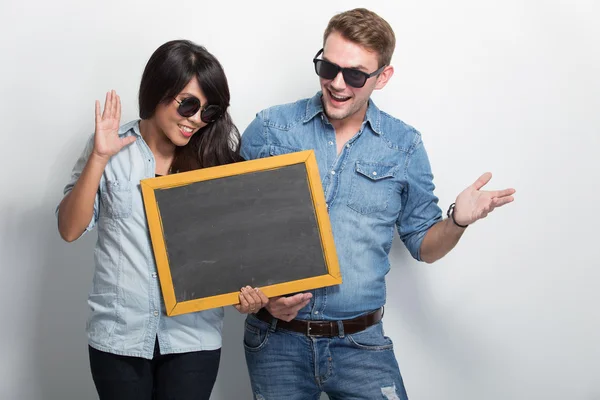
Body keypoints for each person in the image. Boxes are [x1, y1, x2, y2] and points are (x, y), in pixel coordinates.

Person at [240, 8, 515, 400]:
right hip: (275, 341)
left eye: (354, 75)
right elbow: (230, 231)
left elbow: (423, 244)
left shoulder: (403, 145)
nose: (336, 84)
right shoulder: (271, 128)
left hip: (360, 345)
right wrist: (264, 298)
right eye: (327, 67)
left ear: (382, 77)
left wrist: (457, 221)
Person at [55, 39, 268, 400]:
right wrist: (99, 158)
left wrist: (247, 295)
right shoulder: (109, 147)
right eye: (188, 104)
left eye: (208, 111)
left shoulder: (216, 162)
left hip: (193, 338)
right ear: (158, 90)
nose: (196, 119)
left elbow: (233, 256)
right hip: (119, 337)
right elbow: (69, 229)